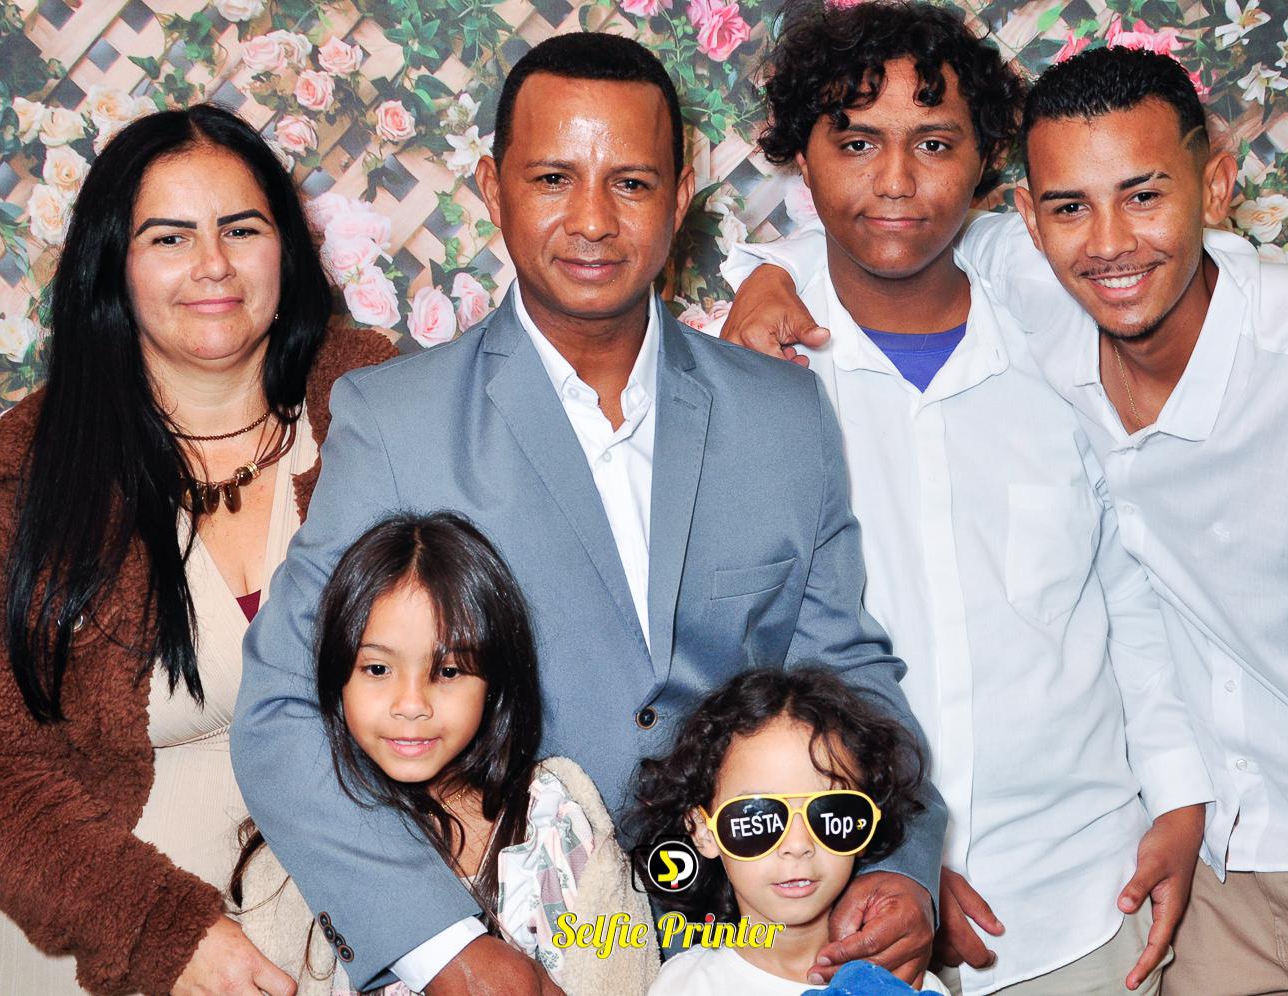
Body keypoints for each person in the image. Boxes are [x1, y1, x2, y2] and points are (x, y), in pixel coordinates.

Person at [232, 31, 946, 996]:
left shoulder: (783, 415)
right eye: (553, 179)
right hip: (516, 945)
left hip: (755, 949)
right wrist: (441, 945)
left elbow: (846, 678)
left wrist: (904, 867)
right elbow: (282, 708)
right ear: (492, 191)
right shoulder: (394, 423)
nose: (594, 221)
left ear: (680, 196)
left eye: (632, 183)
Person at [726, 45, 1288, 996]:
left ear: (1216, 186)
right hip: (1200, 884)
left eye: (1145, 195)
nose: (1109, 240)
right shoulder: (1023, 305)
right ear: (1028, 214)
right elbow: (882, 229)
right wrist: (766, 270)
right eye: (1070, 208)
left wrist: (1176, 797)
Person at [711, 6, 1211, 994]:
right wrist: (893, 855)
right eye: (856, 143)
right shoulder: (752, 380)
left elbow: (1129, 591)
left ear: (987, 166)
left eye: (936, 145)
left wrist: (1179, 795)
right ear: (802, 159)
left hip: (1080, 900)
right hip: (838, 914)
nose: (897, 182)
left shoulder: (1064, 344)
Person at [0, 104, 395, 996]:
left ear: (287, 250)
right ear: (115, 265)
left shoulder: (382, 416)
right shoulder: (36, 479)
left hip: (353, 947)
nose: (213, 263)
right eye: (169, 237)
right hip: (115, 963)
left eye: (241, 229)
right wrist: (161, 934)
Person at [237, 512, 657, 995]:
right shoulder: (306, 849)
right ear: (336, 678)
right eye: (377, 669)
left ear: (494, 684)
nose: (411, 703)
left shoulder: (554, 822)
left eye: (449, 671)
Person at [634, 667, 951, 996]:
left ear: (866, 822)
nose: (798, 844)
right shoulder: (685, 987)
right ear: (703, 831)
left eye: (829, 811)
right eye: (759, 816)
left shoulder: (906, 986)